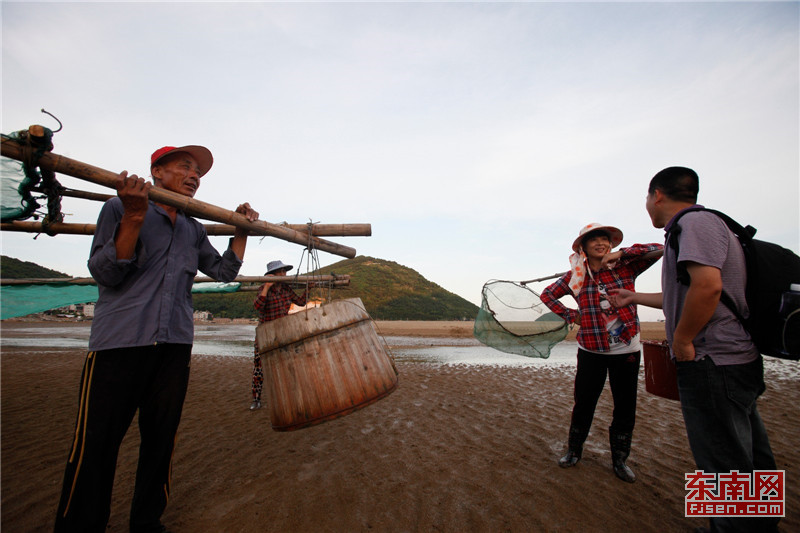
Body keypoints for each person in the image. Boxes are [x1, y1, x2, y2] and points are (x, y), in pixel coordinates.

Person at [55, 145, 259, 533]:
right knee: (96, 444)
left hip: (174, 346)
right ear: (157, 172)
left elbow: (223, 272)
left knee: (160, 441)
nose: (194, 175)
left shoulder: (193, 228)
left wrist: (241, 230)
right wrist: (134, 216)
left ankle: (147, 523)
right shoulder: (118, 207)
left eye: (198, 172)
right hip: (119, 343)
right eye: (185, 166)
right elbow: (106, 273)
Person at [608, 166, 779, 532]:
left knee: (722, 459)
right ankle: (763, 524)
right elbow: (684, 293)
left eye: (647, 198)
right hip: (732, 360)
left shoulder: (694, 224)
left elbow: (708, 288)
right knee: (749, 454)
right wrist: (633, 296)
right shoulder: (702, 227)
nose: (647, 205)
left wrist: (683, 339)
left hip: (713, 361)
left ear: (657, 195)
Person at [539, 223, 662, 483]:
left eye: (605, 239)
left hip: (627, 349)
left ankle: (620, 459)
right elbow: (547, 294)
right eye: (593, 239)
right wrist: (572, 315)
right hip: (591, 349)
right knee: (584, 402)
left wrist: (622, 254)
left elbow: (660, 249)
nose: (600, 243)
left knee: (625, 406)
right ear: (583, 247)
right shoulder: (576, 276)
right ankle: (574, 451)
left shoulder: (625, 267)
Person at [250, 259, 309, 410]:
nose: (284, 274)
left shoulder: (286, 289)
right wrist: (266, 287)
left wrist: (309, 288)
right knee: (259, 368)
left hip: (282, 332)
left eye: (284, 271)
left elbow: (301, 302)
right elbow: (258, 306)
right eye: (281, 271)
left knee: (285, 365)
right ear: (272, 274)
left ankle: (287, 397)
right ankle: (256, 399)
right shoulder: (264, 288)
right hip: (265, 333)